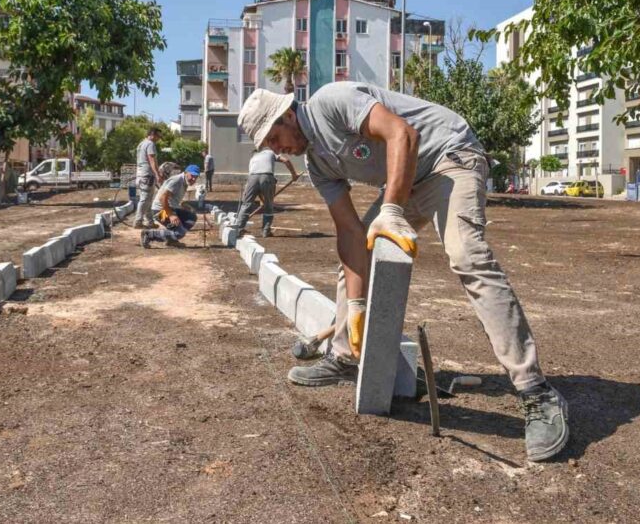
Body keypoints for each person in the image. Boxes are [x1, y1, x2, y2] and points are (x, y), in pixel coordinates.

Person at [237, 83, 570, 462]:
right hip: (410, 177)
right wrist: (358, 304)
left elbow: (402, 133)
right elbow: (348, 232)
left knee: (467, 256)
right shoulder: (318, 165)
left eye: (274, 137)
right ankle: (347, 355)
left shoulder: (332, 101)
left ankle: (537, 392)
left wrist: (391, 210)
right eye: (268, 147)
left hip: (449, 156)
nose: (276, 150)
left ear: (288, 115)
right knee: (357, 253)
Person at [234, 147, 298, 237]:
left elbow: (256, 185)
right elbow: (286, 160)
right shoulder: (270, 152)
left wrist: (262, 199)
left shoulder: (253, 159)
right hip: (267, 177)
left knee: (246, 204)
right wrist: (294, 175)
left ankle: (239, 229)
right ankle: (265, 231)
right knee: (269, 205)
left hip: (252, 178)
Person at [141, 165, 200, 248]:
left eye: (196, 177)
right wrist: (171, 215)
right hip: (159, 211)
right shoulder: (177, 180)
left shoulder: (184, 182)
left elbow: (172, 198)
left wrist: (184, 206)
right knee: (180, 232)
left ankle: (172, 240)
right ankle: (149, 234)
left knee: (191, 217)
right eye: (192, 176)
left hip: (169, 209)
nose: (193, 179)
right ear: (186, 173)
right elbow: (162, 198)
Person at [133, 128, 163, 228]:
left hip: (141, 175)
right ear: (152, 135)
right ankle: (138, 221)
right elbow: (152, 160)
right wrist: (157, 174)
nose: (159, 138)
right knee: (145, 199)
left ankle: (150, 221)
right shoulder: (150, 144)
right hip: (147, 176)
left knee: (148, 199)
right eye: (158, 136)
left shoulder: (141, 144)